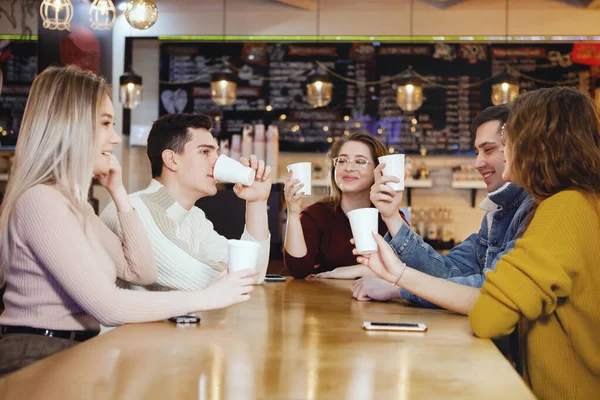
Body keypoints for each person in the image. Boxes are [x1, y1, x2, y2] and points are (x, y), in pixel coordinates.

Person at [0, 66, 257, 376]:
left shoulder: (75, 205)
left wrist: (119, 194)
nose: (114, 139)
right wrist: (206, 298)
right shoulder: (42, 201)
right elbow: (108, 306)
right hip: (35, 355)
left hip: (70, 351)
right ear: (71, 126)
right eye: (106, 124)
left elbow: (141, 271)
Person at [359, 87, 600, 399]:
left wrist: (399, 278)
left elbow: (490, 315)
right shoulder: (581, 203)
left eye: (507, 139)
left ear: (537, 144)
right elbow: (455, 273)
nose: (504, 149)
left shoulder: (563, 208)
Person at [352, 104, 533, 306]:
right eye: (476, 152)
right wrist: (391, 215)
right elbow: (446, 270)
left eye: (488, 150)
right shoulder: (496, 213)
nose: (477, 163)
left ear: (518, 148)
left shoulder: (533, 208)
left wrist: (399, 287)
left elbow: (490, 292)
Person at [100, 114, 271, 291]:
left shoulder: (193, 217)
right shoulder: (133, 210)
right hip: (131, 319)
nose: (217, 161)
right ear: (171, 160)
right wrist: (231, 272)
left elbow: (253, 273)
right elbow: (198, 282)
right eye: (205, 152)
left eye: (216, 152)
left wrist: (257, 202)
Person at [283, 131, 405, 279]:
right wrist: (293, 213)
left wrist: (355, 271)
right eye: (342, 161)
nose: (349, 168)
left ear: (378, 171)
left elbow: (410, 269)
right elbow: (298, 270)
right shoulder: (315, 215)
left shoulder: (390, 217)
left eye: (360, 161)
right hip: (323, 300)